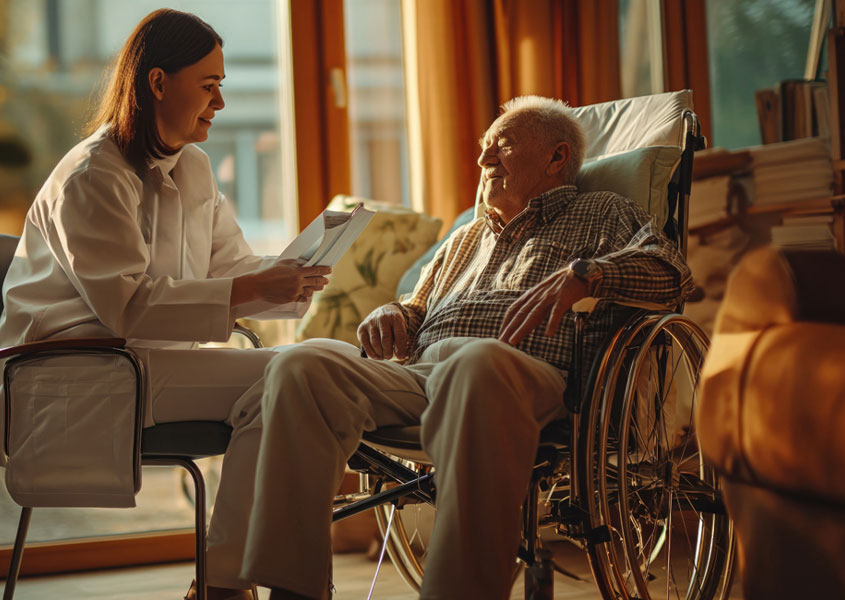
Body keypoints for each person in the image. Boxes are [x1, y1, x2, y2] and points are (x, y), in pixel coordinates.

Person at [201, 96, 694, 599]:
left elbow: (673, 273)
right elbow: (417, 307)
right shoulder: (465, 238)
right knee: (301, 365)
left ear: (556, 157)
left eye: (502, 146)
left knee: (477, 365)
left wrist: (589, 275)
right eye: (484, 148)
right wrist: (395, 313)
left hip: (526, 372)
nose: (484, 159)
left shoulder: (603, 212)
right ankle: (297, 590)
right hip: (424, 376)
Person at [0, 9, 330, 506]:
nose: (220, 102)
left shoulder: (194, 167)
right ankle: (239, 554)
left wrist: (295, 275)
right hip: (80, 375)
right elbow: (128, 308)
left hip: (142, 367)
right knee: (298, 375)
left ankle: (235, 552)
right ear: (159, 83)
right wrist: (256, 287)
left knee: (309, 368)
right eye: (209, 86)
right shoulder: (92, 176)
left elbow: (229, 269)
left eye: (220, 86)